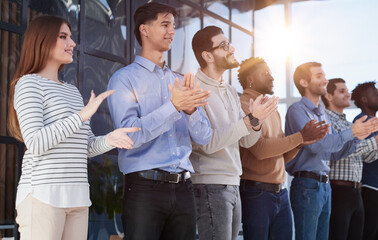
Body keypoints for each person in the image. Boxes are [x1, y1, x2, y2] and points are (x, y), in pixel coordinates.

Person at [7, 16, 138, 240]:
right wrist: (81, 115)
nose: (73, 43)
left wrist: (110, 139)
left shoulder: (72, 91)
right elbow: (36, 143)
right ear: (42, 41)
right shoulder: (28, 84)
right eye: (63, 36)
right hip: (42, 196)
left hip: (77, 198)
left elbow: (84, 147)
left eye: (70, 36)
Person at [107, 3, 212, 240]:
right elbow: (129, 137)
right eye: (165, 24)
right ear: (144, 30)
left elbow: (205, 137)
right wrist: (173, 107)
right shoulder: (124, 79)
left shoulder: (182, 81)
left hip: (184, 188)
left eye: (173, 26)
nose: (172, 31)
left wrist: (191, 110)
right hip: (145, 189)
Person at [190, 26, 279, 240]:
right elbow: (207, 143)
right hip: (210, 184)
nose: (231, 48)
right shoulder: (194, 90)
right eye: (224, 46)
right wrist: (250, 120)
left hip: (233, 183)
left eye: (228, 43)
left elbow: (247, 141)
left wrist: (257, 120)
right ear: (207, 55)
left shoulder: (229, 91)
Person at [237, 57, 329, 240]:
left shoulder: (272, 109)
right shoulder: (244, 105)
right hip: (256, 194)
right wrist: (300, 137)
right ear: (250, 80)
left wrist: (301, 143)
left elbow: (281, 158)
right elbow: (260, 150)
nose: (272, 78)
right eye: (265, 73)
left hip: (281, 192)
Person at [284, 62, 378, 240]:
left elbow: (335, 153)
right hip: (307, 185)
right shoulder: (297, 110)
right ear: (304, 82)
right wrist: (352, 132)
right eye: (319, 76)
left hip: (324, 187)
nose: (325, 79)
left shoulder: (323, 114)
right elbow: (315, 145)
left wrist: (358, 135)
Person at [321, 78, 378, 240]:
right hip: (339, 191)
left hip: (356, 191)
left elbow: (367, 156)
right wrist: (374, 141)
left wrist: (375, 143)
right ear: (328, 97)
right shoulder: (327, 121)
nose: (348, 94)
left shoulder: (349, 124)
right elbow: (340, 150)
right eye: (342, 91)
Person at [351, 81, 378, 240]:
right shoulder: (361, 122)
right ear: (364, 100)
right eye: (375, 94)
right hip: (369, 187)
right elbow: (365, 151)